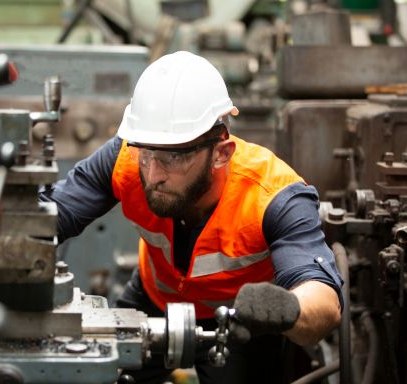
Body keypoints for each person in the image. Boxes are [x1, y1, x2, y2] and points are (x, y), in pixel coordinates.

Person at [40, 51, 342, 383]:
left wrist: (286, 309)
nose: (153, 174)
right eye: (147, 152)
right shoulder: (126, 159)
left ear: (221, 153)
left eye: (173, 157)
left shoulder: (274, 197)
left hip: (242, 322)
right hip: (153, 300)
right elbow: (50, 215)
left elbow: (323, 301)